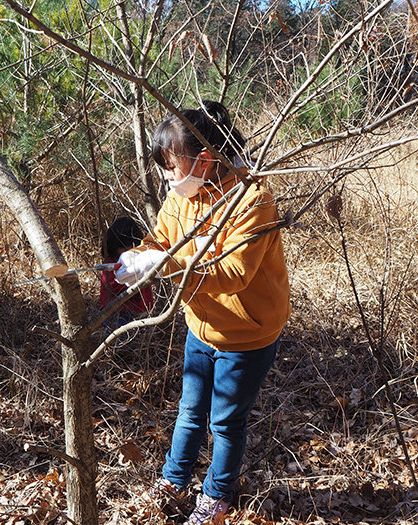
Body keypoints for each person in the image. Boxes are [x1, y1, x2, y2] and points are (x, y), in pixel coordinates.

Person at [114, 101, 291, 523]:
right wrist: (137, 259)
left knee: (225, 421)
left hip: (247, 334)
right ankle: (173, 479)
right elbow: (161, 241)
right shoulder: (182, 197)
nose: (169, 178)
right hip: (201, 325)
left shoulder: (252, 198)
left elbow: (233, 273)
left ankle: (216, 495)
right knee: (190, 410)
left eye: (173, 167)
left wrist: (166, 264)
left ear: (205, 158)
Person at [99, 216, 155, 327]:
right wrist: (135, 281)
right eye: (124, 249)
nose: (127, 253)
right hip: (117, 311)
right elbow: (111, 285)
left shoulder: (138, 258)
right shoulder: (111, 263)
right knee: (120, 339)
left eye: (131, 249)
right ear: (114, 246)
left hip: (141, 311)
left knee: (141, 339)